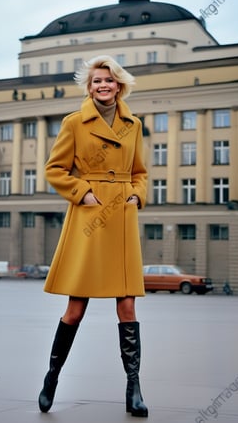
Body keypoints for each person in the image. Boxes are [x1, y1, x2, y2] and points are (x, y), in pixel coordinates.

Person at [39, 55, 148, 418]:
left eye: (109, 80)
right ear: (90, 87)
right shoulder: (74, 123)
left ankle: (134, 389)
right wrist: (82, 192)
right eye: (97, 81)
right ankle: (52, 377)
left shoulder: (133, 124)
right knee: (75, 309)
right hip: (90, 212)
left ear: (119, 85)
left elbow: (140, 171)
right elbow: (55, 169)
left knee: (127, 305)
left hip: (121, 215)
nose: (103, 85)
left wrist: (137, 194)